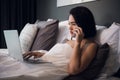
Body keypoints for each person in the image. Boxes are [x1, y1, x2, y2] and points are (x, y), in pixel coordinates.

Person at [23, 6, 98, 75]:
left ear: (84, 24)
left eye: (73, 24)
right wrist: (39, 54)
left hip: (51, 70)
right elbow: (57, 57)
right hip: (43, 62)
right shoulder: (69, 41)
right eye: (69, 24)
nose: (70, 28)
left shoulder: (90, 46)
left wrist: (78, 43)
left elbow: (73, 70)